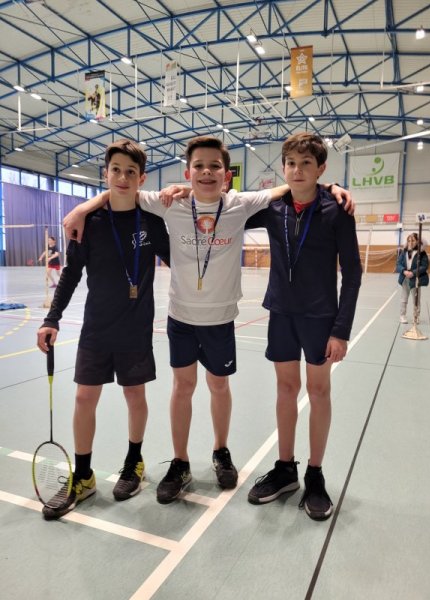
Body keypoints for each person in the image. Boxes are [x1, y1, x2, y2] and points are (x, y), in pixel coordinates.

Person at [63, 135, 354, 506]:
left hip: (220, 319)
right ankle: (180, 462)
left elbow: (295, 186)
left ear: (226, 175)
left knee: (219, 386)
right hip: (181, 318)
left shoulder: (240, 204)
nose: (206, 172)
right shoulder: (169, 202)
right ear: (187, 173)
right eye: (198, 166)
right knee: (182, 387)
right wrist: (83, 207)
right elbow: (123, 189)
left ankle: (221, 451)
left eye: (215, 166)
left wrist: (329, 186)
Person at [36, 139, 170, 520]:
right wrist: (52, 318)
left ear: (142, 178)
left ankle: (134, 462)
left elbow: (180, 259)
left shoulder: (151, 221)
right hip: (96, 326)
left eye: (131, 171)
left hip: (135, 328)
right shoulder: (90, 223)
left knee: (134, 395)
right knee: (84, 398)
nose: (122, 177)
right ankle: (83, 476)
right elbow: (71, 274)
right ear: (105, 173)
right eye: (116, 170)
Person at [245, 132, 362, 521]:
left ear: (321, 168)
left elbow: (353, 274)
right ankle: (285, 469)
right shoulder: (271, 208)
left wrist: (341, 330)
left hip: (320, 318)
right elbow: (227, 205)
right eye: (291, 164)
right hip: (281, 314)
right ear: (283, 168)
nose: (297, 170)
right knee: (285, 388)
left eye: (306, 164)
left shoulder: (336, 211)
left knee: (318, 390)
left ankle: (314, 474)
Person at [396, 232, 429, 323]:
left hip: (415, 279)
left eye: (413, 240)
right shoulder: (404, 252)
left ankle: (416, 316)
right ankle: (402, 316)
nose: (410, 242)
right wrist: (404, 271)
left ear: (418, 241)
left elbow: (424, 266)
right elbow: (398, 264)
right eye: (409, 240)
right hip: (405, 278)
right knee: (404, 298)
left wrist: (413, 273)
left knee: (416, 299)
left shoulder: (422, 253)